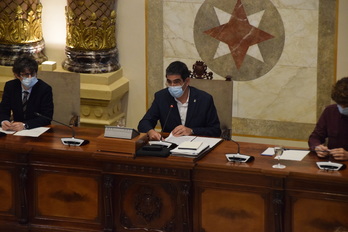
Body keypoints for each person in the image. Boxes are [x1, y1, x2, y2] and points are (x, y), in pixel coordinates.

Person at [138, 61, 221, 140]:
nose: (172, 86)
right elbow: (144, 123)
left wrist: (192, 131)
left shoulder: (204, 99)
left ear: (187, 81)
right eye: (169, 82)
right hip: (170, 147)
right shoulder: (161, 97)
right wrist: (150, 131)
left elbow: (215, 131)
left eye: (176, 82)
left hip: (197, 146)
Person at [0, 56, 54, 131]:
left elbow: (46, 117)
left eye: (32, 74)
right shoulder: (10, 86)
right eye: (25, 74)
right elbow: (3, 110)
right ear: (17, 75)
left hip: (37, 130)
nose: (30, 77)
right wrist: (4, 121)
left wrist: (25, 125)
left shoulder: (44, 89)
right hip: (15, 130)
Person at [308, 77, 348, 160]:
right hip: (332, 164)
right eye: (340, 104)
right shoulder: (330, 111)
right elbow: (315, 137)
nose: (343, 109)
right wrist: (317, 147)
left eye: (346, 106)